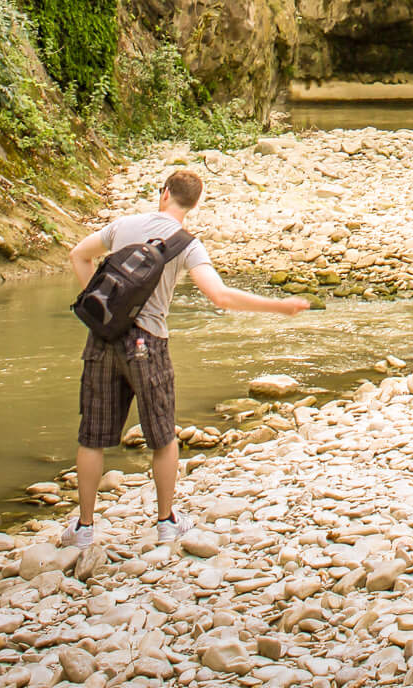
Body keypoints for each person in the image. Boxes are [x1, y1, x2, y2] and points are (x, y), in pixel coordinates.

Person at [65, 165, 309, 544]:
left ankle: (84, 529)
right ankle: (166, 522)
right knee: (163, 437)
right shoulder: (187, 245)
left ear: (164, 193)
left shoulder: (123, 225)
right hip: (148, 344)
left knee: (93, 437)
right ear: (193, 205)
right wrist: (279, 306)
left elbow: (78, 255)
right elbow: (220, 297)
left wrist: (103, 308)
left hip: (102, 338)